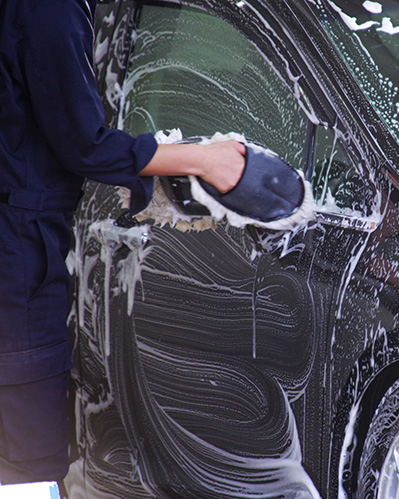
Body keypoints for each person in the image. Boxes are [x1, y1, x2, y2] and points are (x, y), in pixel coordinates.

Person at [0, 0, 245, 492]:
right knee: (23, 462)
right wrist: (202, 160)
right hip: (17, 255)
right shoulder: (47, 8)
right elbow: (82, 142)